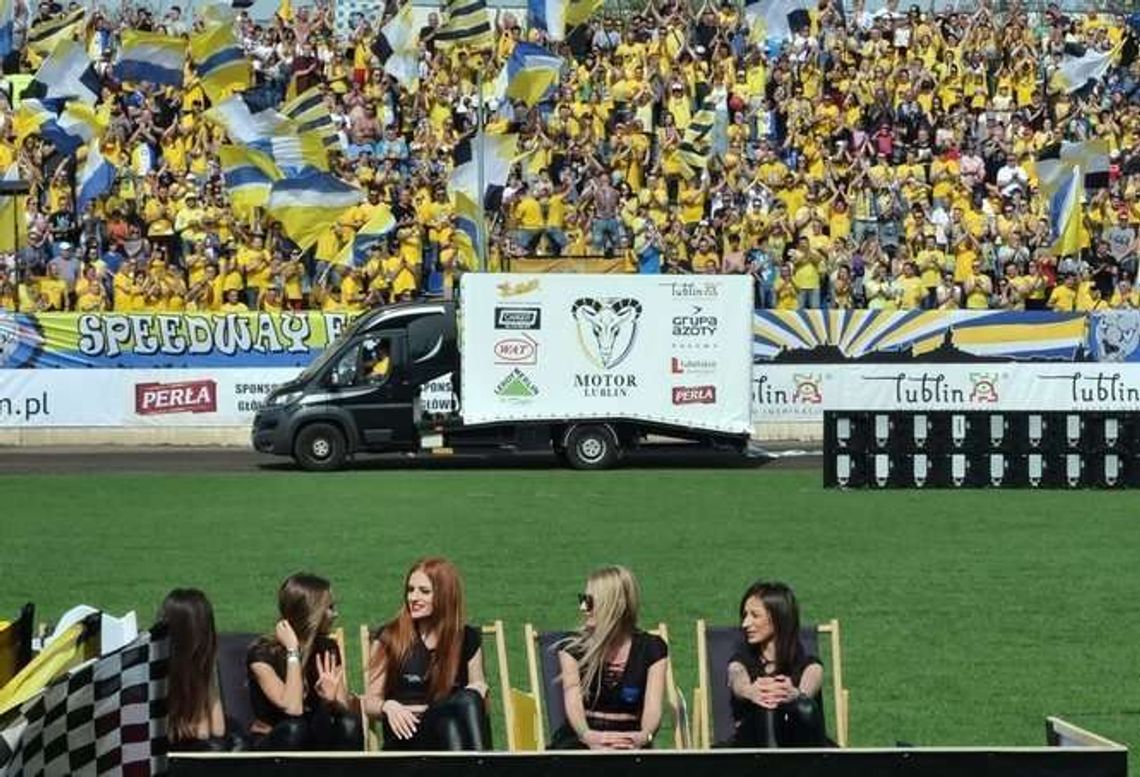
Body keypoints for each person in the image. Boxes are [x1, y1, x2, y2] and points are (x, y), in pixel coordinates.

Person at [363, 558, 490, 751]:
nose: (413, 597)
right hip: (409, 735)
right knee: (461, 704)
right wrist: (387, 706)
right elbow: (369, 702)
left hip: (450, 726)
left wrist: (481, 691)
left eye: (424, 591)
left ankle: (478, 764)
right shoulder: (390, 637)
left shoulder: (467, 638)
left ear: (444, 595)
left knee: (458, 712)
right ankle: (484, 766)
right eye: (410, 589)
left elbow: (479, 700)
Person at [550, 566, 667, 750]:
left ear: (614, 606)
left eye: (588, 602)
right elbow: (573, 700)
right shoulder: (573, 647)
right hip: (580, 741)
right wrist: (588, 736)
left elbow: (653, 707)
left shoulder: (652, 649)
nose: (583, 608)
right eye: (582, 600)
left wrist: (644, 737)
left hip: (630, 742)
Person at [246, 573, 362, 751]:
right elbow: (293, 708)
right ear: (311, 613)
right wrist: (293, 650)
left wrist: (332, 702)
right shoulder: (262, 654)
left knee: (350, 723)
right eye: (329, 608)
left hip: (313, 734)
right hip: (276, 740)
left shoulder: (327, 648)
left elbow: (343, 707)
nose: (335, 614)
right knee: (295, 729)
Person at [726, 581, 827, 748]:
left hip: (799, 747)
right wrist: (750, 691)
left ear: (778, 618)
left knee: (804, 707)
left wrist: (795, 694)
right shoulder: (741, 662)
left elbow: (812, 678)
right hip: (751, 755)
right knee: (767, 705)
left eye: (755, 615)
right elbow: (736, 676)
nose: (745, 624)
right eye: (745, 615)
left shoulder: (808, 665)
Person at [160, 589, 242, 752]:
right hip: (169, 754)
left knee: (236, 737)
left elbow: (218, 729)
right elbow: (203, 733)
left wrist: (207, 674)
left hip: (193, 744)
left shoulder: (200, 666)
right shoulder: (157, 672)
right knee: (215, 748)